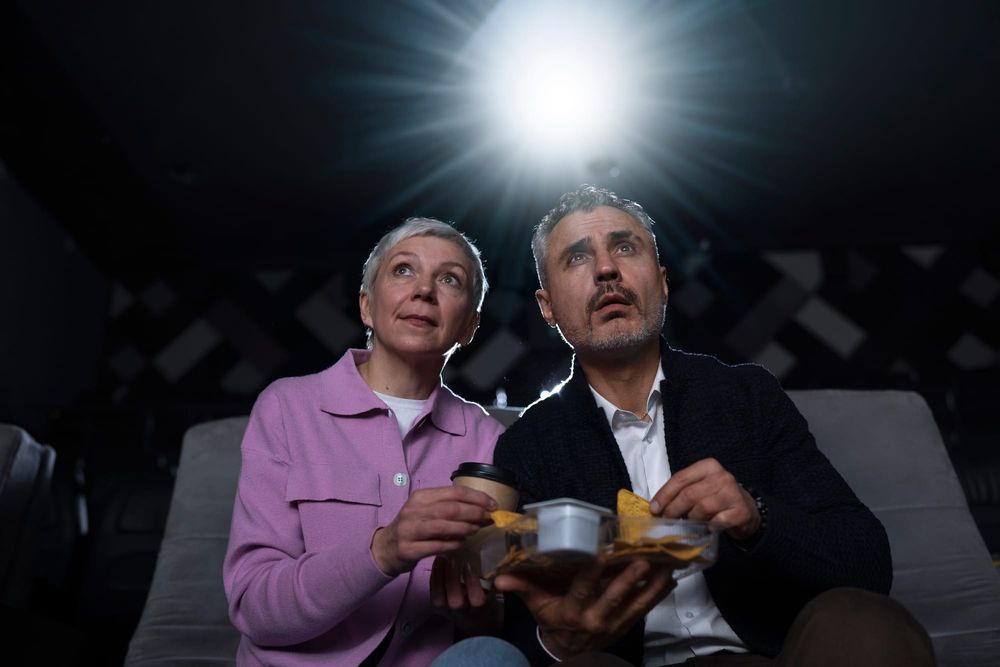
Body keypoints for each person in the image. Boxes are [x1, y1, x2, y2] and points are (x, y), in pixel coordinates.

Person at [491, 186, 935, 666]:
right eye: (577, 257)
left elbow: (866, 563)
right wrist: (557, 642)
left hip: (765, 655)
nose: (606, 269)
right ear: (547, 307)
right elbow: (514, 622)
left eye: (624, 247)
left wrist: (756, 517)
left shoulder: (746, 396)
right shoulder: (527, 444)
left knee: (861, 619)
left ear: (661, 282)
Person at [224, 217, 507, 666]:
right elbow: (255, 608)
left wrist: (480, 613)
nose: (424, 291)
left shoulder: (488, 439)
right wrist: (384, 550)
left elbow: (492, 614)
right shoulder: (287, 408)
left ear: (469, 327)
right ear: (366, 306)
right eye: (403, 270)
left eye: (449, 279)